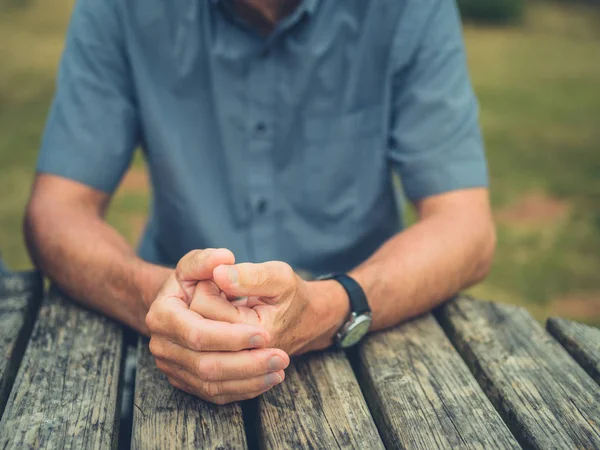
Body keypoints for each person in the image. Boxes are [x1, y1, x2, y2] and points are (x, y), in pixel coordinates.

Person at [24, 0, 496, 405]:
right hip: (163, 344)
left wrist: (329, 306)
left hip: (367, 343)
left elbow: (465, 227)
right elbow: (58, 210)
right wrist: (159, 298)